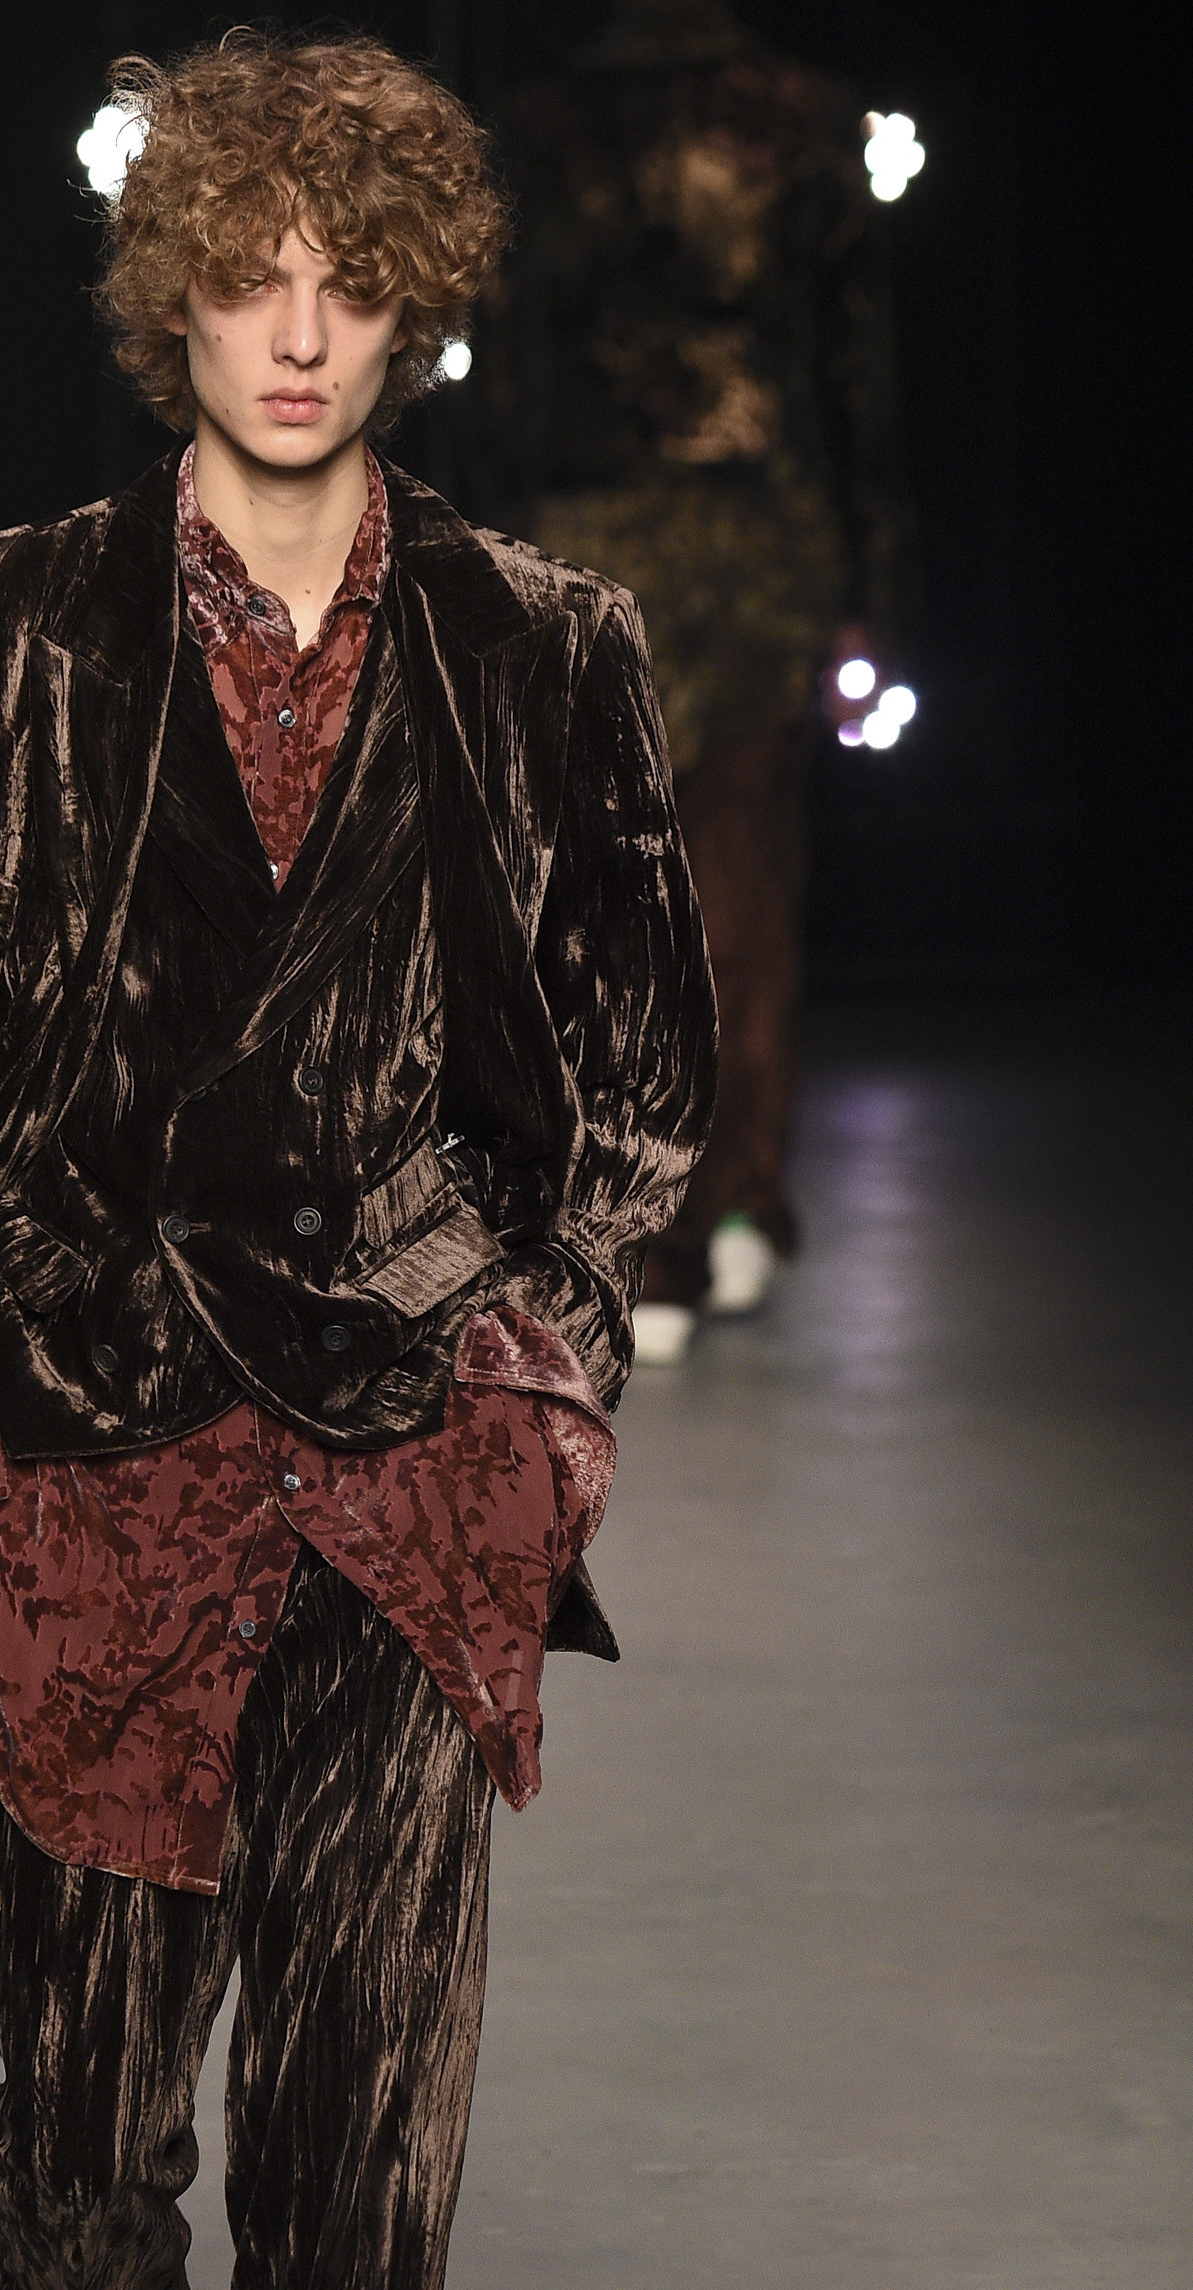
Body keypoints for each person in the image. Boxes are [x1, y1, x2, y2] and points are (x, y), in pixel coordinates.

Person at [0, 31, 713, 2290]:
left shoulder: (546, 648)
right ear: (171, 289)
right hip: (79, 1454)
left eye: (352, 280)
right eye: (250, 274)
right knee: (97, 2106)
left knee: (360, 2142)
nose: (300, 333)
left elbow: (641, 1079)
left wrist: (521, 1360)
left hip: (401, 1465)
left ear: (415, 301)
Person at [478, 0, 915, 1362]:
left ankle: (635, 1234)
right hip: (759, 531)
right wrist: (871, 580)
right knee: (744, 876)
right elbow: (852, 374)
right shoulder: (802, 124)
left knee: (596, 893)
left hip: (589, 526)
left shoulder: (540, 136)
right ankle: (735, 1199)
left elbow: (501, 375)